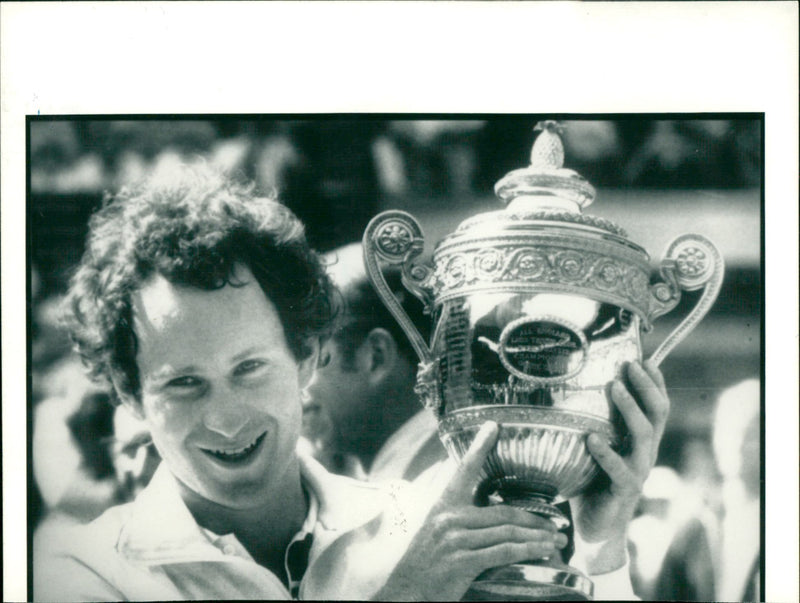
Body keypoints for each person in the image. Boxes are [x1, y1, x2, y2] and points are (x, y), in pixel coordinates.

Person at [34, 162, 669, 601]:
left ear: (308, 358)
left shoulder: (421, 523)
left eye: (249, 369)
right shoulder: (80, 574)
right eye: (183, 385)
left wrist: (598, 548)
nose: (225, 417)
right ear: (129, 395)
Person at [304, 242, 446, 482]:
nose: (294, 384)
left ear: (376, 356)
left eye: (311, 358)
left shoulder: (441, 481)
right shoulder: (422, 469)